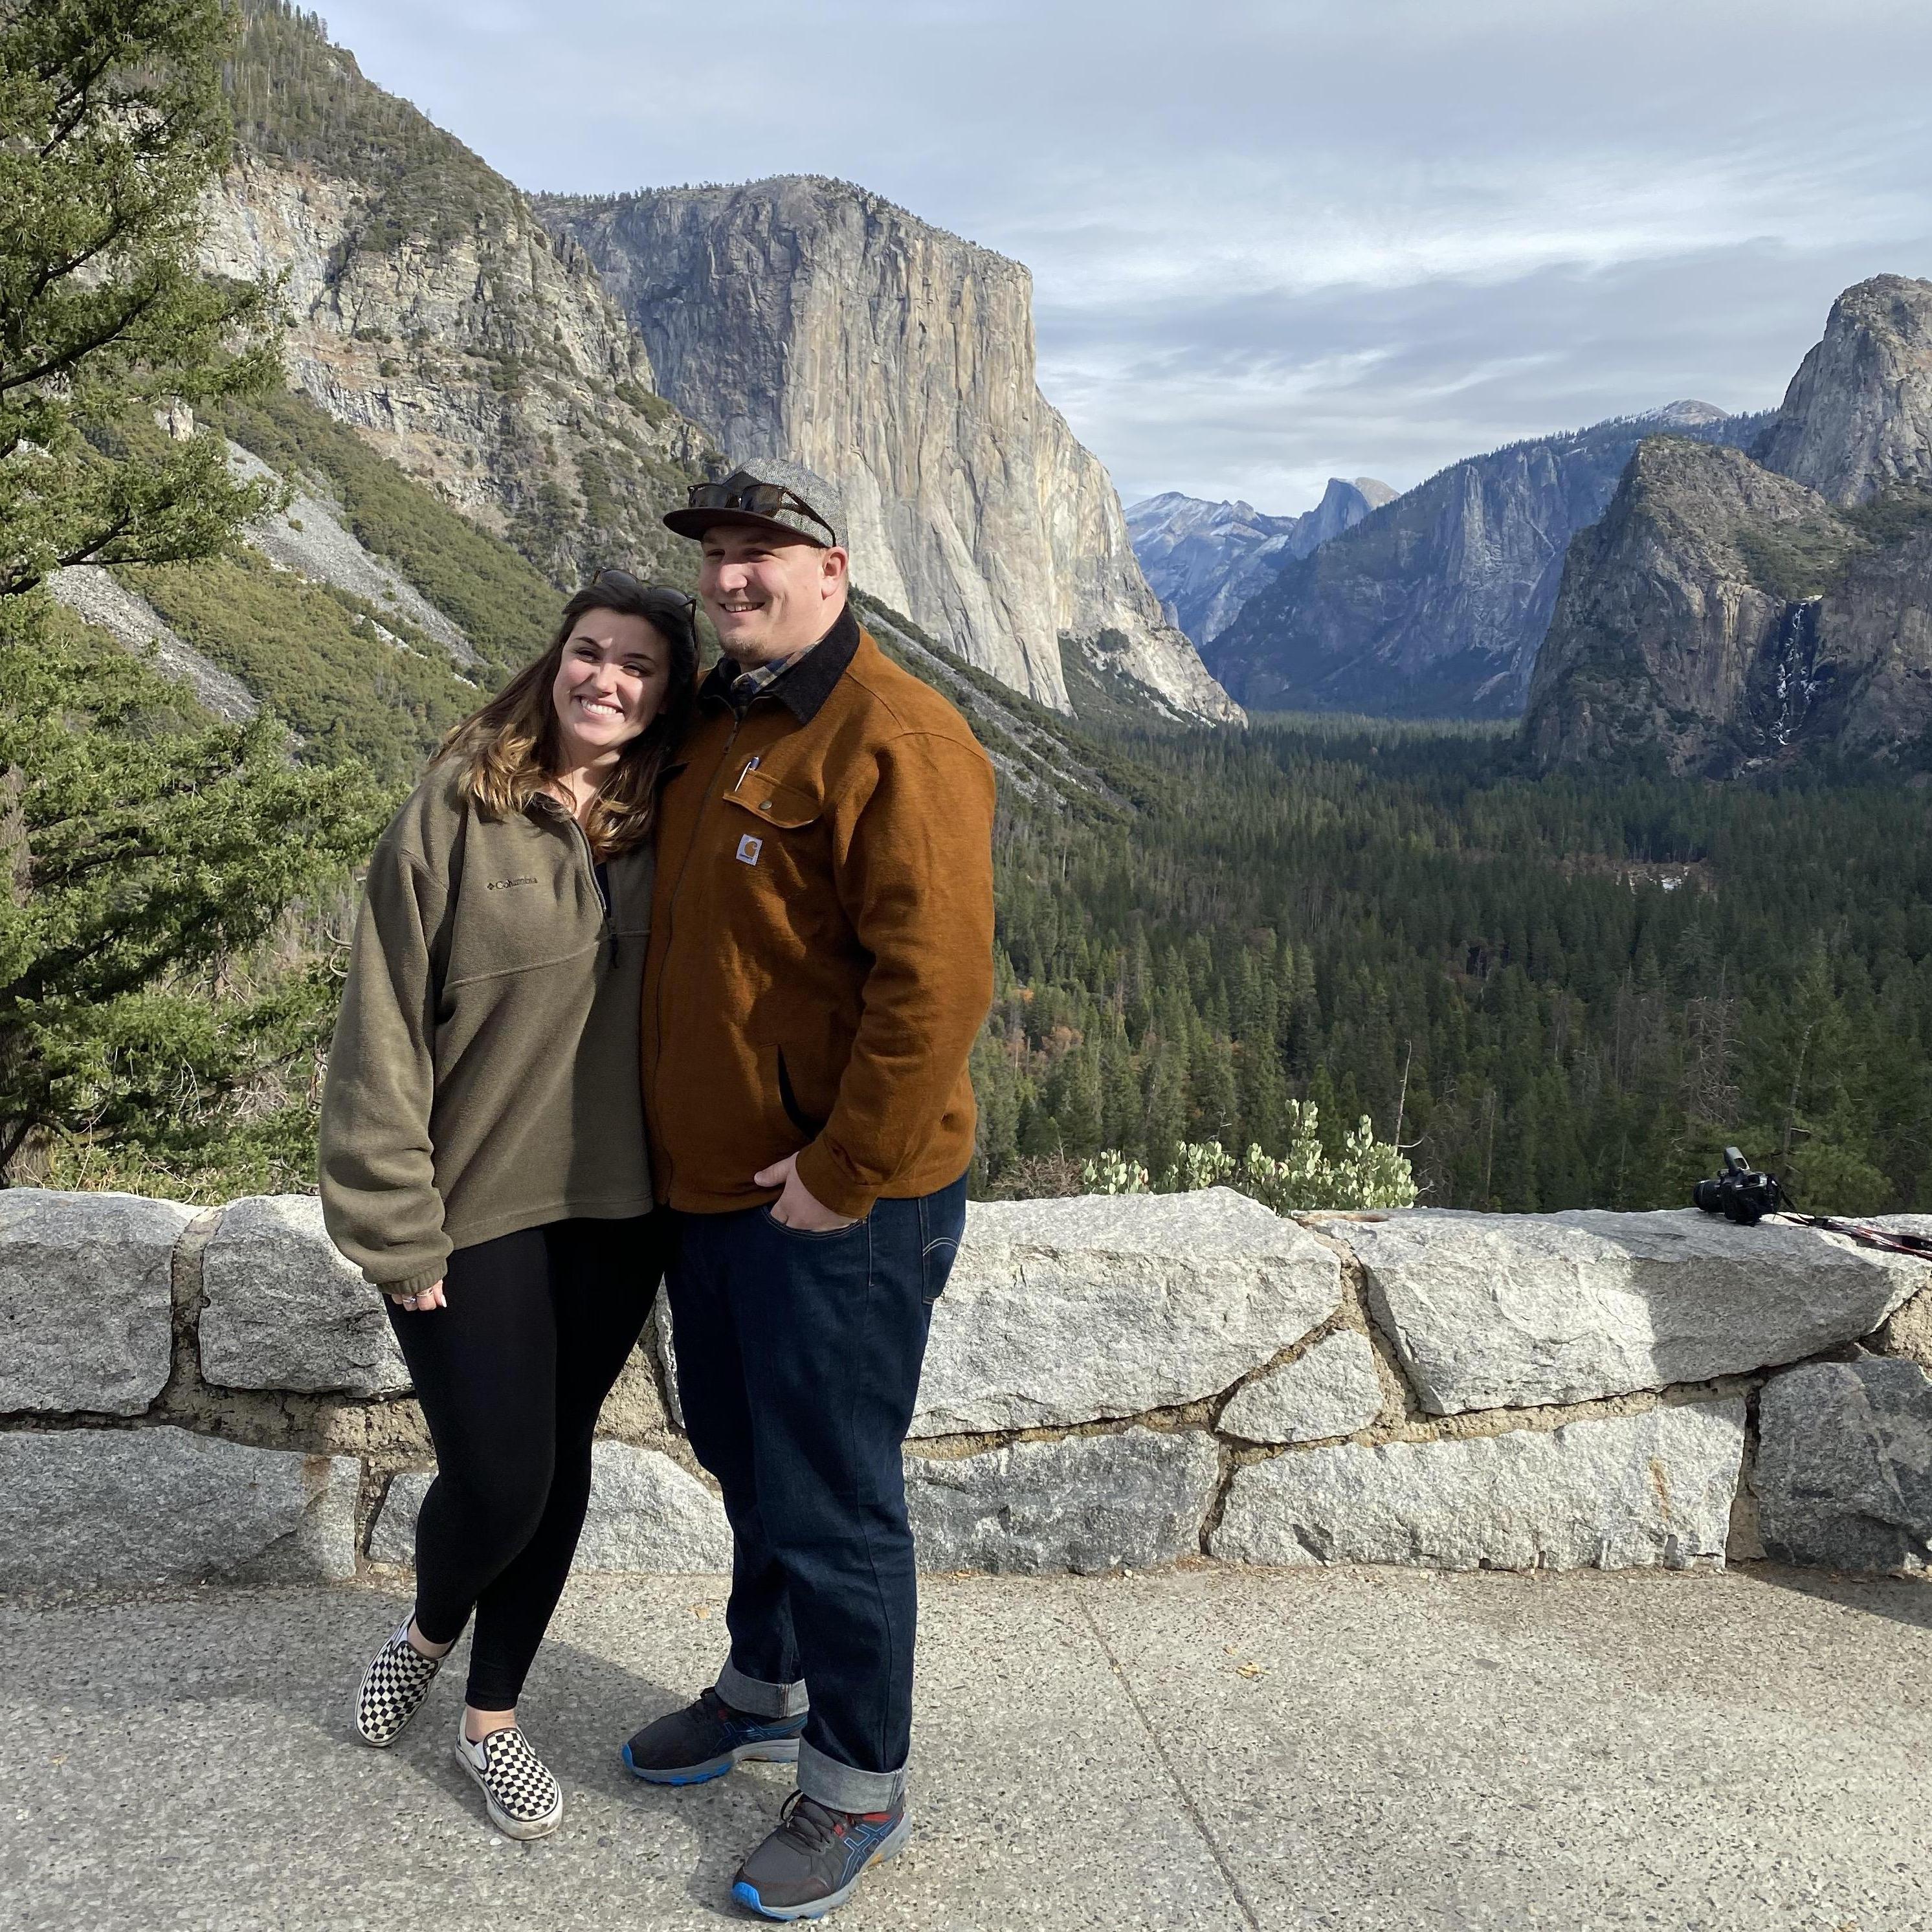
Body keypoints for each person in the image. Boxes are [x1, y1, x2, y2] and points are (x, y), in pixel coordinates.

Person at [621, 463, 996, 1921]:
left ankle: (855, 1779)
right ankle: (762, 1685)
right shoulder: (722, 714)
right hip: (712, 1192)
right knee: (741, 1447)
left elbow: (937, 983)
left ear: (832, 569)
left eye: (760, 553)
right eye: (715, 556)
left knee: (835, 1493)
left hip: (835, 1204)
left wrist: (841, 1175)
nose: (729, 576)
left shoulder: (896, 733)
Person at [319, 571, 698, 1840]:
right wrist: (390, 1213)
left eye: (638, 665)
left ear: (666, 692)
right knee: (498, 1468)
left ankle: (490, 1712)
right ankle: (428, 1627)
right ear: (555, 659)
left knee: (559, 1457)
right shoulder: (457, 807)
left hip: (615, 1207)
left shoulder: (669, 819)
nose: (607, 678)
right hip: (468, 1200)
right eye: (590, 652)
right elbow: (376, 1026)